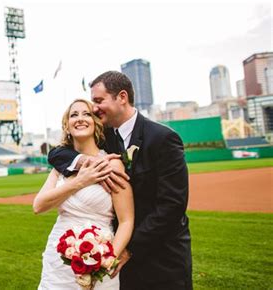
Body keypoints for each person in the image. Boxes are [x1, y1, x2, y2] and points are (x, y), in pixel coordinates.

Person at [48, 71, 193, 290]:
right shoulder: (104, 137)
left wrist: (128, 249)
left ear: (122, 97)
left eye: (98, 101)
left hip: (162, 257)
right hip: (120, 261)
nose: (94, 109)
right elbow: (57, 154)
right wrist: (92, 162)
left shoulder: (163, 138)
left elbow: (172, 205)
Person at [34, 99, 135, 289]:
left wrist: (107, 259)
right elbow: (38, 206)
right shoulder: (61, 167)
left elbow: (126, 220)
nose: (80, 119)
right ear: (67, 126)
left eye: (86, 114)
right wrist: (81, 181)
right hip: (58, 260)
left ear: (96, 123)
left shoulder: (111, 164)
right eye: (74, 115)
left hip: (101, 254)